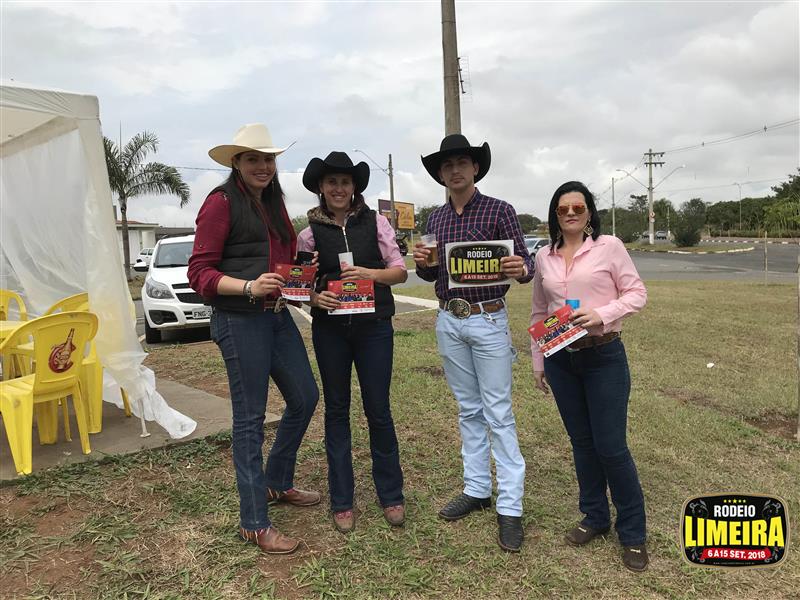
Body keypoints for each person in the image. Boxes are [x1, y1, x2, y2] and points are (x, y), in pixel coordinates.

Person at [188, 123, 320, 555]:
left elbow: (280, 264)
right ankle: (254, 522)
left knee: (305, 397)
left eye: (268, 159)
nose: (263, 166)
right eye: (253, 159)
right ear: (237, 162)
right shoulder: (221, 202)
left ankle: (276, 481)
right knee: (250, 418)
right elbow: (199, 273)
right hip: (239, 319)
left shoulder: (274, 202)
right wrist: (247, 286)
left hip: (277, 315)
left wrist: (303, 265)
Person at [414, 134, 534, 552]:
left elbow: (526, 265)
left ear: (475, 168)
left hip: (488, 317)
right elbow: (432, 274)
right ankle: (477, 488)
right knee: (468, 409)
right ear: (441, 174)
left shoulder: (500, 210)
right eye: (447, 166)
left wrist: (519, 267)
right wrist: (423, 264)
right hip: (450, 318)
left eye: (462, 163)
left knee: (498, 411)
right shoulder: (436, 219)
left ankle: (511, 507)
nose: (455, 170)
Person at [530, 180, 649, 572]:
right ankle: (595, 516)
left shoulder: (609, 247)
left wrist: (602, 314)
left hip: (603, 355)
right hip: (561, 359)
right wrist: (538, 361)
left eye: (577, 208)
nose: (570, 214)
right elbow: (540, 311)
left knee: (611, 447)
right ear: (555, 215)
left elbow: (637, 294)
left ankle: (633, 532)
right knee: (581, 443)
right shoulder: (544, 256)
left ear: (589, 213)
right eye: (563, 209)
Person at [297, 151, 407, 534]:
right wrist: (315, 298)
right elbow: (298, 286)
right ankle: (342, 499)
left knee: (379, 410)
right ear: (321, 187)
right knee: (337, 411)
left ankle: (391, 494)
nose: (339, 188)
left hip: (373, 328)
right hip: (331, 332)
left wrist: (370, 274)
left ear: (355, 187)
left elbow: (399, 272)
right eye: (332, 182)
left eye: (345, 182)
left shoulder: (377, 223)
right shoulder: (308, 234)